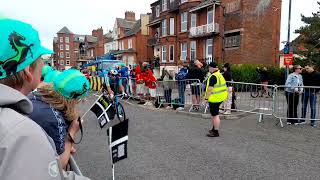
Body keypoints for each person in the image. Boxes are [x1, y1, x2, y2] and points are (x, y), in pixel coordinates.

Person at [0, 18, 89, 179]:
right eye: (40, 58)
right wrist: (70, 134)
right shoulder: (23, 133)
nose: (43, 64)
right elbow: (56, 170)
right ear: (27, 70)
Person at [29, 68, 90, 169]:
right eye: (79, 100)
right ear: (72, 100)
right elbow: (60, 164)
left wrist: (66, 145)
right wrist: (72, 133)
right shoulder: (54, 119)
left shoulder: (36, 96)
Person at [205, 62, 228, 137]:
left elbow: (210, 89)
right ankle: (214, 128)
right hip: (221, 97)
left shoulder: (213, 76)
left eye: (209, 68)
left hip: (215, 98)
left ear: (212, 68)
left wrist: (206, 98)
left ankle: (216, 131)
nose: (208, 69)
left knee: (215, 115)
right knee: (214, 114)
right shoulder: (219, 75)